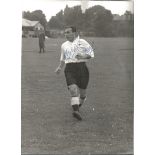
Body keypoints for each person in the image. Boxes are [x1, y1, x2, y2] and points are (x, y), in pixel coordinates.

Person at [55, 26, 94, 121]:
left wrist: (83, 55)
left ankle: (77, 105)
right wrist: (60, 67)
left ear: (74, 33)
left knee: (83, 94)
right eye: (65, 32)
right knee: (73, 89)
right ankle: (76, 111)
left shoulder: (83, 42)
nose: (66, 34)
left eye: (68, 32)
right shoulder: (64, 45)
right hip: (69, 69)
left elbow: (91, 54)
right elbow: (63, 58)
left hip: (82, 68)